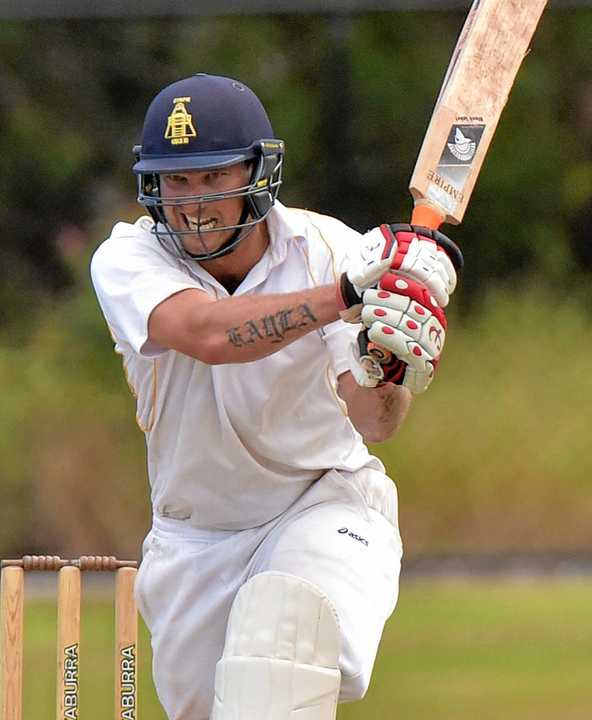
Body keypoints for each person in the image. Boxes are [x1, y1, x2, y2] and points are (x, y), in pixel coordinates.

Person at [89, 74, 463, 720]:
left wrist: (392, 367)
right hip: (193, 544)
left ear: (257, 175)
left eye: (212, 177)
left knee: (283, 641)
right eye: (176, 181)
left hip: (322, 505)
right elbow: (208, 333)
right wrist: (346, 297)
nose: (193, 202)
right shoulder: (128, 260)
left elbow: (375, 423)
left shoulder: (330, 251)